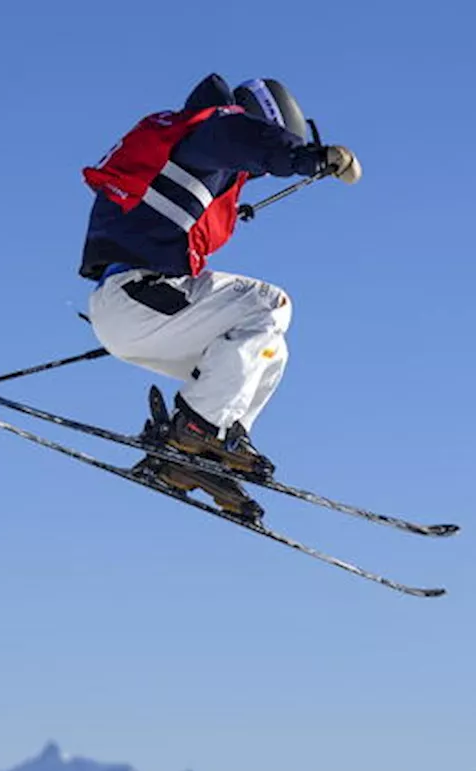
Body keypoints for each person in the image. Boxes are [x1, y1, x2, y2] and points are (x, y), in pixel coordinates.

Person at [77, 74, 361, 515]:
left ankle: (206, 451)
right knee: (271, 303)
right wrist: (314, 157)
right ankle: (197, 428)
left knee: (269, 349)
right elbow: (251, 140)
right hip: (138, 297)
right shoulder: (215, 126)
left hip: (139, 310)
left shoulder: (193, 149)